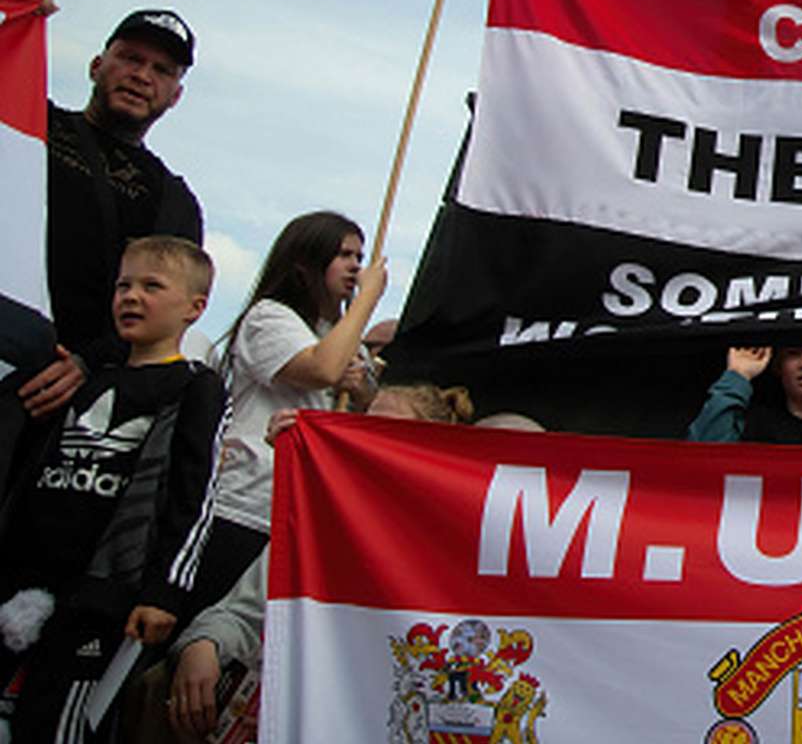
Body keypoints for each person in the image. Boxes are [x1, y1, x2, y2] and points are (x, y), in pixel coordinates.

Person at [0, 236, 226, 743]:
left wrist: (164, 592)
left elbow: (196, 496)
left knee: (58, 726)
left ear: (195, 308)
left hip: (103, 602)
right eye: (123, 285)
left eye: (152, 286)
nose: (131, 296)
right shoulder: (84, 381)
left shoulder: (196, 387)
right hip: (25, 585)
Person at [159, 383, 468, 740]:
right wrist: (205, 645)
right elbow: (240, 613)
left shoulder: (444, 552)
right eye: (361, 424)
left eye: (384, 430)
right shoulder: (319, 525)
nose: (364, 439)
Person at [187, 212, 388, 626]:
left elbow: (364, 404)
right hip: (245, 505)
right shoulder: (270, 317)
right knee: (192, 630)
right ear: (306, 262)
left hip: (298, 516)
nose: (356, 266)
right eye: (343, 255)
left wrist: (364, 386)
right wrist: (367, 300)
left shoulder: (340, 334)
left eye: (359, 256)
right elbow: (320, 369)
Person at [18, 11, 203, 423]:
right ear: (96, 66)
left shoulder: (172, 201)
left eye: (161, 70)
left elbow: (168, 310)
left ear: (175, 95)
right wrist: (22, 17)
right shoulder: (28, 124)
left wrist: (88, 362)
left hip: (58, 402)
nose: (142, 76)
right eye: (131, 59)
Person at [688, 345, 802, 444]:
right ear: (778, 366)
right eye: (793, 353)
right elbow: (704, 453)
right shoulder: (753, 425)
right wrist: (738, 375)